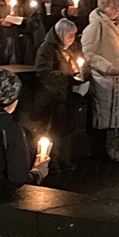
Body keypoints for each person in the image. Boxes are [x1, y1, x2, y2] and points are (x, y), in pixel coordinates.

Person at [83, 0, 119, 161]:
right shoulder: (96, 26)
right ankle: (110, 147)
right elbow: (89, 53)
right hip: (107, 78)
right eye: (111, 6)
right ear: (103, 8)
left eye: (118, 6)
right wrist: (107, 67)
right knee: (111, 114)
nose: (116, 10)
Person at [28, 20, 86, 170]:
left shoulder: (69, 49)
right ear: (61, 33)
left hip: (66, 95)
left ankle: (64, 159)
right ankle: (51, 162)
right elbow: (43, 72)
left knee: (65, 129)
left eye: (74, 35)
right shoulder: (47, 48)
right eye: (69, 35)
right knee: (53, 130)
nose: (72, 38)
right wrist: (66, 77)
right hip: (51, 96)